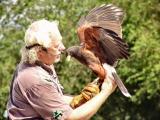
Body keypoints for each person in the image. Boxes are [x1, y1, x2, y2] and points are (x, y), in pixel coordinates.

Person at [7, 19, 117, 120]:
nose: (63, 47)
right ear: (40, 53)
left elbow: (51, 102)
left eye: (60, 42)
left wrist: (79, 99)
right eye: (56, 46)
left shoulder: (42, 63)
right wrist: (105, 91)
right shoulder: (36, 80)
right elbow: (68, 118)